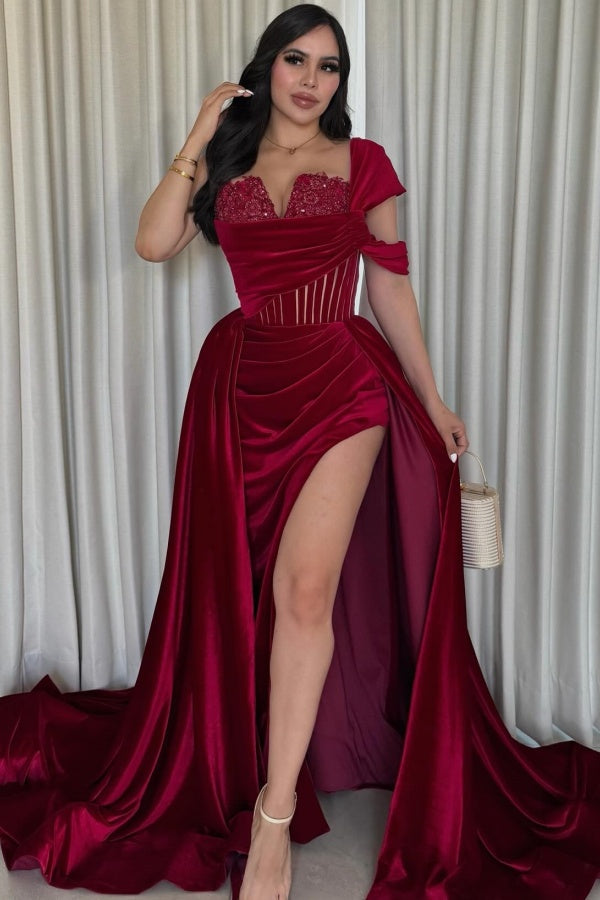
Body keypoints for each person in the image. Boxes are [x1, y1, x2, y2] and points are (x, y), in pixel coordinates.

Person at [0, 5, 599, 900]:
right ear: (266, 69)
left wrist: (432, 398)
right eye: (296, 60)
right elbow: (152, 243)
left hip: (342, 378)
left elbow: (390, 290)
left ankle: (274, 818)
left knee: (305, 589)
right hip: (241, 387)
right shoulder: (228, 163)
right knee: (239, 591)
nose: (313, 80)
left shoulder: (365, 163)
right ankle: (252, 765)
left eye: (329, 65)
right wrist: (198, 135)